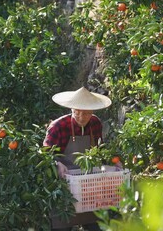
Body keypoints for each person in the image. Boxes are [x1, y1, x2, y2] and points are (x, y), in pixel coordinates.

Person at [43, 87, 112, 231]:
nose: (81, 117)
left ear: (92, 111)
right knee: (62, 224)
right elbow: (45, 154)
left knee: (96, 225)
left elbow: (100, 150)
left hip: (89, 186)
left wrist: (113, 162)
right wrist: (57, 163)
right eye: (76, 112)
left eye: (86, 113)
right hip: (64, 186)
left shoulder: (95, 124)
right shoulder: (58, 126)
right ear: (71, 109)